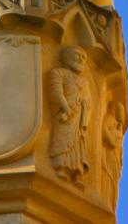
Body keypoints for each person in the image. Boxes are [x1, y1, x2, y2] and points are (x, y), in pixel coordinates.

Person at [48, 45, 91, 188]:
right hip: (65, 115)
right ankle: (61, 168)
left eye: (83, 57)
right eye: (77, 55)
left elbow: (88, 99)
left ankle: (77, 173)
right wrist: (66, 108)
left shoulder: (84, 81)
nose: (80, 59)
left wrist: (84, 107)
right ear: (66, 57)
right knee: (62, 140)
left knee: (77, 146)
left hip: (79, 117)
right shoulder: (59, 73)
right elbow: (56, 92)